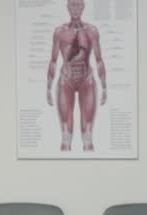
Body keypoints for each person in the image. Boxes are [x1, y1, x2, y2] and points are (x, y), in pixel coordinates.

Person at [46, 0, 107, 151]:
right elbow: (53, 60)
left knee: (87, 134)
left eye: (78, 4)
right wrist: (48, 87)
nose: (75, 8)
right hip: (66, 80)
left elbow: (99, 59)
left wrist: (104, 86)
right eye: (72, 4)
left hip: (87, 79)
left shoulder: (91, 30)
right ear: (67, 7)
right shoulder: (59, 31)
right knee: (66, 134)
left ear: (83, 7)